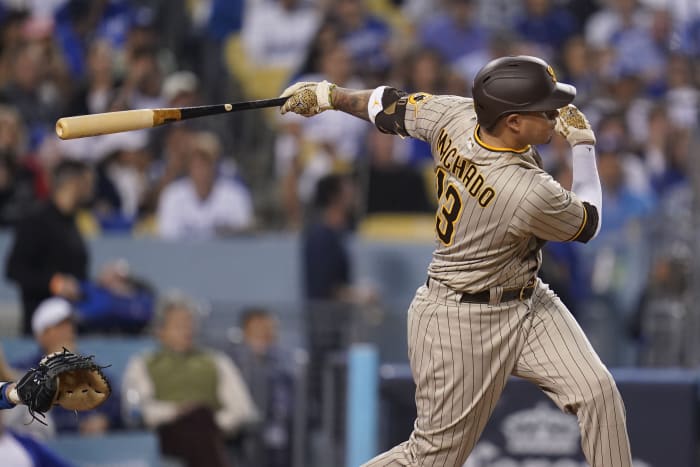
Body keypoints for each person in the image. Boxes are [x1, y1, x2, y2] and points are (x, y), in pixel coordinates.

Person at [279, 55, 632, 466]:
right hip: (461, 320)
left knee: (598, 394)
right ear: (513, 122)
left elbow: (385, 107)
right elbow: (589, 221)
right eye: (545, 109)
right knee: (431, 458)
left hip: (527, 301)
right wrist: (584, 146)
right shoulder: (523, 190)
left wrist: (329, 95)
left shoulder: (456, 114)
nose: (556, 115)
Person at [122, 293, 258, 467]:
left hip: (213, 432)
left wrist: (213, 423)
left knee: (199, 419)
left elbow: (241, 408)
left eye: (189, 324)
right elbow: (138, 409)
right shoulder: (144, 363)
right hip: (167, 434)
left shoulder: (216, 361)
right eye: (178, 325)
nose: (187, 330)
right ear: (160, 331)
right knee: (195, 421)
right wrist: (176, 411)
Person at [5, 159, 93, 335]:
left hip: (71, 323)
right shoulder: (36, 220)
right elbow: (14, 269)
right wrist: (55, 283)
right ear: (74, 184)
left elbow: (74, 273)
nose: (92, 189)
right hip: (42, 328)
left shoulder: (71, 221)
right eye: (88, 183)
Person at [12, 297, 121, 435]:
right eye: (60, 326)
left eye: (70, 325)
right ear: (42, 335)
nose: (68, 331)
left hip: (89, 446)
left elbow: (114, 402)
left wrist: (105, 420)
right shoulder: (23, 370)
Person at [229, 308, 295, 467]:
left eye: (268, 331)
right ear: (245, 333)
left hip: (276, 432)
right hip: (240, 432)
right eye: (257, 332)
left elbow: (286, 402)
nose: (263, 337)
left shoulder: (284, 362)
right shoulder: (231, 362)